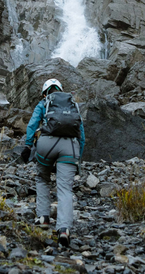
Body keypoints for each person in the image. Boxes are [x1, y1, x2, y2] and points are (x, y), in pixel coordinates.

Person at [23, 78, 86, 248]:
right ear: (61, 90)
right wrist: (77, 159)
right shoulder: (73, 105)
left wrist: (28, 146)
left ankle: (43, 217)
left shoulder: (44, 102)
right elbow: (82, 134)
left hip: (46, 145)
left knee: (42, 178)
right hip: (70, 147)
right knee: (65, 188)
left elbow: (32, 125)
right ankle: (64, 229)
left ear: (45, 93)